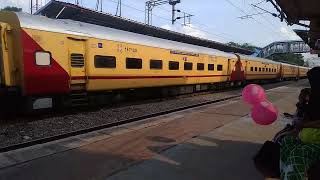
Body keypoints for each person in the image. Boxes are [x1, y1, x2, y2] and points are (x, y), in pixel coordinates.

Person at [279, 67, 320, 180]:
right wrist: (296, 130)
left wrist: (303, 125)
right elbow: (307, 116)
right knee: (285, 141)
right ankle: (283, 174)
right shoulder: (314, 96)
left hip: (315, 141)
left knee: (297, 155)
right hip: (306, 136)